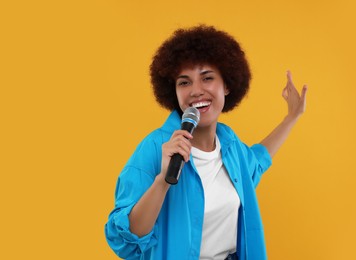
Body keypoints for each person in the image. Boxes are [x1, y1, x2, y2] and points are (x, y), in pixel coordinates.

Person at [105, 25, 307, 260]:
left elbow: (256, 162)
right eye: (184, 82)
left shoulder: (230, 145)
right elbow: (126, 238)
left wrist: (291, 117)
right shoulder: (155, 148)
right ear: (174, 92)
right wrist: (162, 181)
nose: (196, 91)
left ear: (227, 85)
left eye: (207, 78)